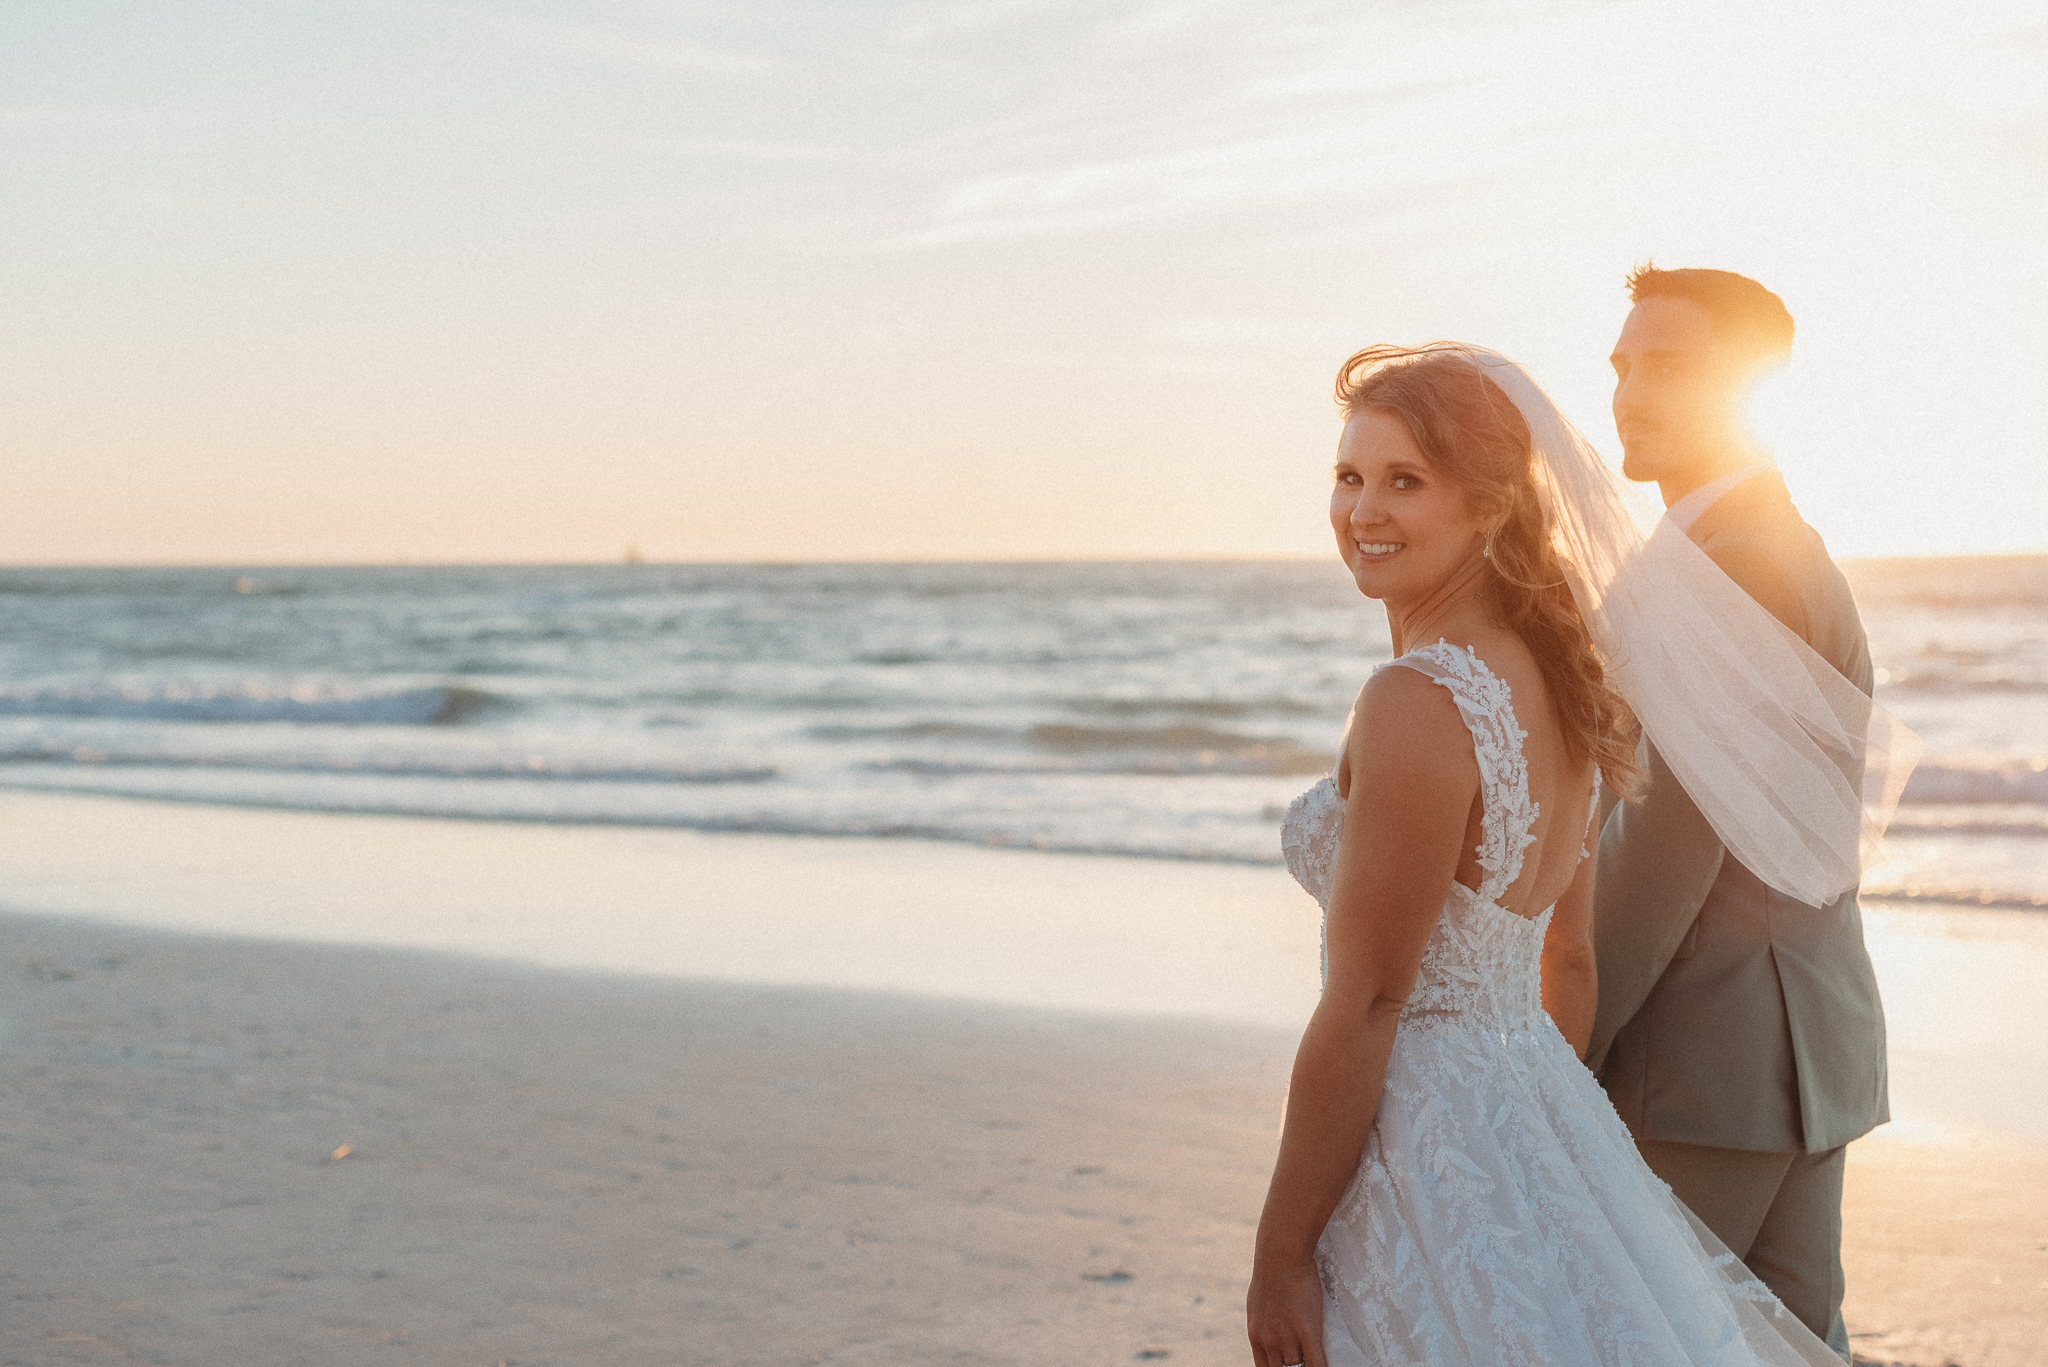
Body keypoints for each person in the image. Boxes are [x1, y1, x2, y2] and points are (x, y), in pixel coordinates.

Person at [1247, 340, 1908, 1366]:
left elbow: (1370, 999)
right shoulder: (1562, 684)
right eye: (1347, 475)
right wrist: (1535, 1125)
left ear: (1489, 508)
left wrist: (1281, 1251)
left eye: (1403, 481)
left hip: (1419, 1135)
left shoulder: (1416, 700)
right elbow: (1569, 960)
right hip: (1533, 1105)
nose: (1360, 510)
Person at [1588, 267, 1887, 1360]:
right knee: (1787, 1345)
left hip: (1707, 1059)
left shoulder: (1740, 563)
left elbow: (1662, 847)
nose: (1627, 388)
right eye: (1620, 363)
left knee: (1648, 1337)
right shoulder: (1739, 542)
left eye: (1666, 362)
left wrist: (1561, 1033)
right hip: (1793, 1048)